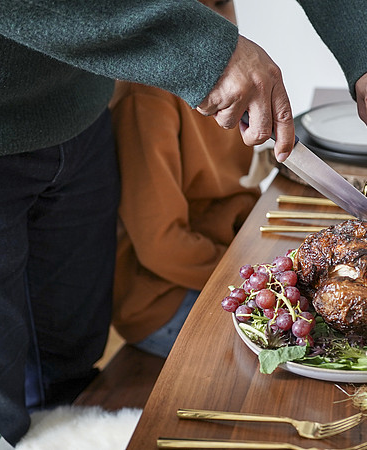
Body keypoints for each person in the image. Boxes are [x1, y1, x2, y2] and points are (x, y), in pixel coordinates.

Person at [0, 0, 367, 444]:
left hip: (79, 116)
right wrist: (203, 49)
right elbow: (161, 241)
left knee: (71, 365)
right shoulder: (153, 105)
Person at [110, 0, 260, 359]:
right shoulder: (146, 95)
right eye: (198, 9)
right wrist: (256, 278)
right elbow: (162, 245)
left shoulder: (229, 82)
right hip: (166, 298)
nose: (218, 26)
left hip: (225, 261)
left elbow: (235, 190)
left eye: (223, 4)